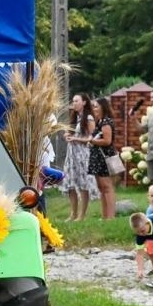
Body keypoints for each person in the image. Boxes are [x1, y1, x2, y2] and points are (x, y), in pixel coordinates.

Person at [60, 93, 95, 221]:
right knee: (70, 183)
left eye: (76, 101)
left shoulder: (88, 118)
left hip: (82, 154)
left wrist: (76, 139)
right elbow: (69, 133)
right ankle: (73, 213)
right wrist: (67, 135)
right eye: (73, 101)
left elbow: (92, 137)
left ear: (84, 102)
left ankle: (81, 215)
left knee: (83, 183)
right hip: (71, 154)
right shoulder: (75, 117)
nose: (74, 103)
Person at [85, 97, 118, 220]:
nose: (94, 109)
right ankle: (104, 215)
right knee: (101, 187)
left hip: (104, 157)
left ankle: (111, 216)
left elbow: (107, 141)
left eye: (96, 106)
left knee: (107, 186)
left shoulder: (106, 122)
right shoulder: (99, 121)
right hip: (97, 157)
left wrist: (93, 141)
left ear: (103, 107)